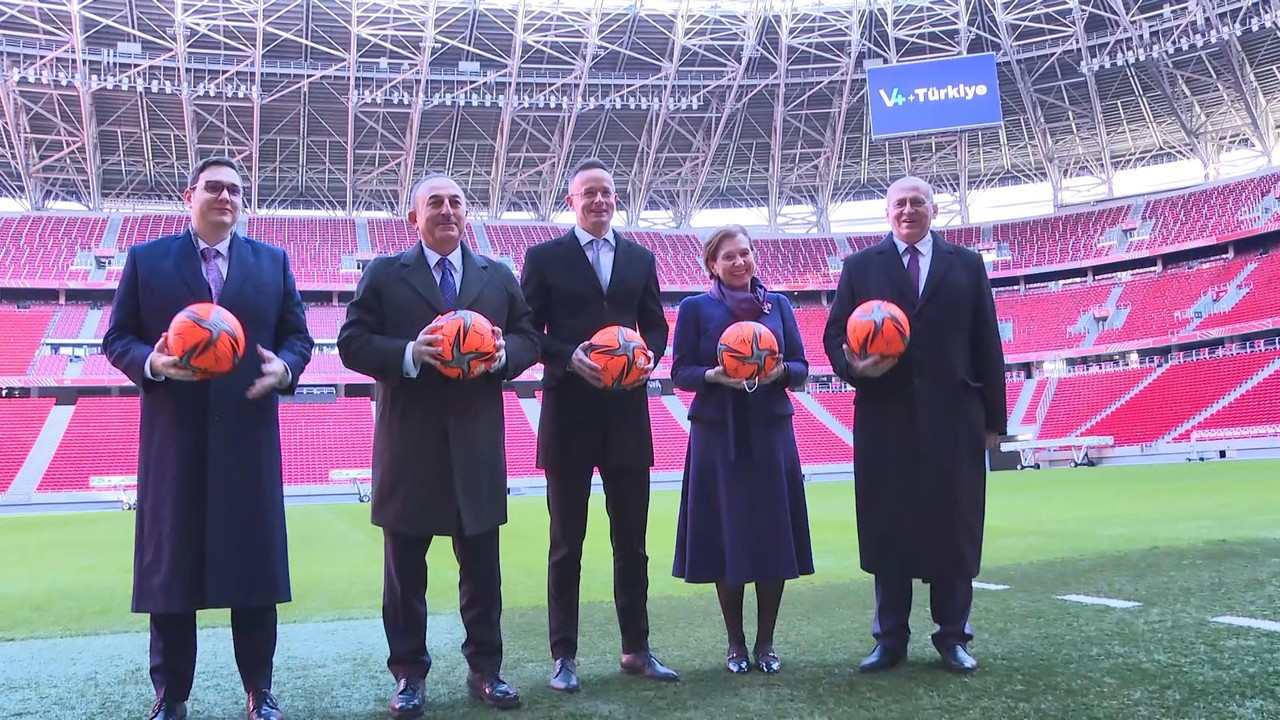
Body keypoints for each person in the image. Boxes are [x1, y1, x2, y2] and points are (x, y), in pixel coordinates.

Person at [103, 156, 313, 720]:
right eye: (215, 188)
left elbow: (299, 338)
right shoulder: (148, 260)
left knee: (254, 575)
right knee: (171, 574)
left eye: (236, 190)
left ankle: (260, 691)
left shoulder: (272, 262)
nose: (226, 197)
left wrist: (285, 369)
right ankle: (171, 697)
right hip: (175, 442)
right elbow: (116, 337)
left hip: (248, 438)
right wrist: (151, 361)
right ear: (188, 195)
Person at [336, 172, 539, 717]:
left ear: (466, 214)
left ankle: (486, 671)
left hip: (476, 446)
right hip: (409, 446)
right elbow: (350, 343)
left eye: (456, 202)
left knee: (482, 571)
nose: (447, 210)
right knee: (405, 576)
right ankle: (408, 675)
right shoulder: (383, 274)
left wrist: (505, 356)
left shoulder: (496, 275)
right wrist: (409, 352)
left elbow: (528, 336)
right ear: (413, 218)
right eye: (435, 203)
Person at [821, 176, 1007, 675]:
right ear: (887, 212)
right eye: (899, 203)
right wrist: (853, 367)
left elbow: (987, 340)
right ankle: (890, 639)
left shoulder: (966, 264)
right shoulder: (860, 266)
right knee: (890, 527)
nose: (908, 210)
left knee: (955, 528)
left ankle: (953, 638)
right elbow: (835, 333)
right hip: (886, 418)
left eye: (917, 202)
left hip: (955, 419)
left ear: (934, 208)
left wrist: (994, 420)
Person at [519, 157, 677, 692]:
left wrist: (648, 356)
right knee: (567, 545)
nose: (600, 201)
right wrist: (568, 357)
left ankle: (637, 648)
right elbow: (527, 331)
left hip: (628, 415)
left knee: (631, 543)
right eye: (589, 193)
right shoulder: (544, 258)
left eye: (607, 192)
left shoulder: (640, 256)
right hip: (568, 415)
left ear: (616, 199)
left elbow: (655, 323)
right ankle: (564, 657)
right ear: (571, 201)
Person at [670, 225, 814, 675]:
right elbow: (680, 372)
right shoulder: (695, 308)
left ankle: (766, 643)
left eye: (745, 254)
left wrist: (777, 375)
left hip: (770, 428)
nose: (739, 262)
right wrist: (714, 376)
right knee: (725, 538)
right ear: (712, 264)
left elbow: (801, 366)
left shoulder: (780, 305)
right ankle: (735, 644)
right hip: (717, 432)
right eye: (729, 256)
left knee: (774, 536)